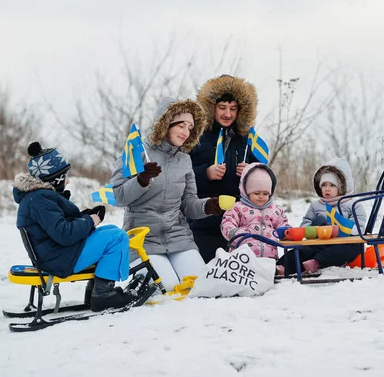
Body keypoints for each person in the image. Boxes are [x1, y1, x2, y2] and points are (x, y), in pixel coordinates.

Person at [110, 97, 224, 291]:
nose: (186, 132)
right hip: (143, 239)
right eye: (181, 125)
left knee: (199, 286)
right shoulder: (136, 151)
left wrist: (207, 206)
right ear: (165, 123)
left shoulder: (184, 160)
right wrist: (141, 180)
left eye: (190, 127)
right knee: (165, 289)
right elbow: (119, 196)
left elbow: (188, 204)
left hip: (178, 236)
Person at [13, 142, 137, 312]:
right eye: (65, 176)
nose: (68, 180)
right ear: (54, 178)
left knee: (110, 231)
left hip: (57, 253)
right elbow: (64, 233)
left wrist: (86, 216)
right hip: (59, 259)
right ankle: (103, 295)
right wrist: (90, 221)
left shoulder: (37, 197)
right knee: (117, 238)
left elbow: (58, 225)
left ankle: (95, 290)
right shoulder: (40, 200)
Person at [189, 74, 258, 262]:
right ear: (211, 108)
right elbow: (179, 177)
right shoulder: (194, 138)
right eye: (222, 108)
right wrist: (206, 173)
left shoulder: (247, 142)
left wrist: (250, 172)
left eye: (233, 109)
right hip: (201, 222)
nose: (227, 114)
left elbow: (265, 183)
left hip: (238, 222)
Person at [276, 158, 367, 275]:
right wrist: (314, 227)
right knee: (303, 250)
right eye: (324, 185)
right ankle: (282, 266)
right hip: (320, 242)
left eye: (332, 185)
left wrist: (340, 228)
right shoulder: (316, 205)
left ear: (342, 187)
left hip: (345, 243)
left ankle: (317, 262)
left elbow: (359, 227)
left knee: (348, 249)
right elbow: (305, 224)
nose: (327, 189)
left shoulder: (353, 204)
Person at [221, 163, 290, 259]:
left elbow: (282, 224)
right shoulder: (238, 208)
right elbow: (227, 223)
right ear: (247, 191)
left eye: (265, 193)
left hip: (269, 258)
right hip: (243, 259)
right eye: (257, 193)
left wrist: (288, 231)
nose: (261, 197)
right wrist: (236, 233)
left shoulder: (275, 210)